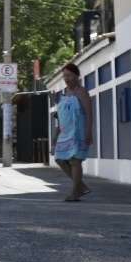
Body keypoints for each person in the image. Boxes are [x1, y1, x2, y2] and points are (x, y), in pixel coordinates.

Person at [53, 62, 93, 202]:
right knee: (59, 158)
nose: (66, 78)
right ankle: (81, 186)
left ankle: (75, 192)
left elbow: (89, 114)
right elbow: (60, 116)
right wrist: (56, 134)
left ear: (77, 76)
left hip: (78, 132)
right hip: (65, 133)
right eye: (64, 76)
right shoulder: (64, 93)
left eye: (69, 75)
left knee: (75, 161)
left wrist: (89, 132)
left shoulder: (82, 92)